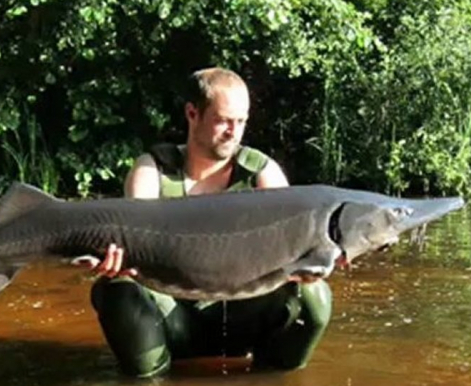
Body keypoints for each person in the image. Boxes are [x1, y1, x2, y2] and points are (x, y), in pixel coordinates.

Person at [86, 67, 332, 378]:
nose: (234, 131)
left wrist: (318, 260)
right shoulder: (152, 170)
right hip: (173, 316)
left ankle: (273, 376)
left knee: (313, 295)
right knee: (116, 288)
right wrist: (117, 258)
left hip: (243, 313)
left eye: (241, 121)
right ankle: (150, 374)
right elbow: (134, 238)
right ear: (192, 113)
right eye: (224, 120)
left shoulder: (261, 173)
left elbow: (296, 242)